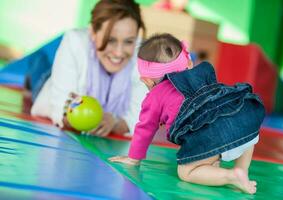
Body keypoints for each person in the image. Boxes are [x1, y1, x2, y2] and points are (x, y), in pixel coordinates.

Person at [109, 33, 265, 194]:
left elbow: (145, 128)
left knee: (186, 172)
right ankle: (242, 169)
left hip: (213, 136)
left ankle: (231, 175)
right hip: (246, 119)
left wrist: (133, 158)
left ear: (146, 81)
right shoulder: (202, 73)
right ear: (189, 63)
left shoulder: (154, 97)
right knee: (241, 131)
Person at [27, 0, 148, 136]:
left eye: (129, 41)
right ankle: (37, 61)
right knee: (39, 76)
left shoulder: (144, 58)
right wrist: (83, 117)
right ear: (93, 32)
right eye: (110, 40)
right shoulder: (75, 41)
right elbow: (61, 108)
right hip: (50, 88)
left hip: (85, 89)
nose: (119, 52)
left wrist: (113, 122)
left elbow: (139, 120)